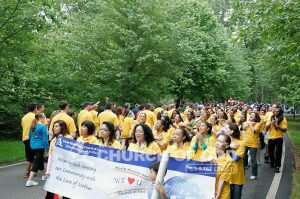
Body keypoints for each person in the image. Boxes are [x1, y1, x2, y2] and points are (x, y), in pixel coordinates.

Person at [45, 120, 72, 199]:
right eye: (54, 126)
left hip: (65, 168)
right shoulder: (53, 140)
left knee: (65, 191)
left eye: (57, 126)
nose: (54, 128)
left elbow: (70, 154)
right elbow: (50, 155)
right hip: (55, 168)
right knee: (50, 190)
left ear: (62, 128)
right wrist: (48, 170)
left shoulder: (68, 138)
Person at [26, 113, 49, 187]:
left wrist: (32, 144)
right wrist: (47, 149)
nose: (44, 118)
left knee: (40, 159)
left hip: (33, 146)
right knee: (36, 162)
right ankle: (29, 180)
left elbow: (29, 137)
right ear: (41, 118)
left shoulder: (33, 125)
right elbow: (45, 138)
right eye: (44, 117)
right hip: (40, 146)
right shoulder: (43, 126)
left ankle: (43, 175)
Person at [226, 123, 245, 199]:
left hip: (236, 176)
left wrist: (229, 148)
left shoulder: (241, 143)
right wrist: (228, 146)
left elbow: (236, 158)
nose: (224, 130)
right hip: (225, 175)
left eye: (227, 128)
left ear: (232, 131)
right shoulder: (222, 142)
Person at [266, 106, 287, 173]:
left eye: (277, 111)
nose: (275, 112)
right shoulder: (271, 117)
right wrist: (271, 123)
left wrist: (278, 127)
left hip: (279, 137)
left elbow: (285, 129)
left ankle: (277, 166)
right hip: (271, 137)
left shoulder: (283, 119)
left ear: (280, 112)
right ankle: (272, 162)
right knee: (270, 152)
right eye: (275, 111)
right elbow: (266, 128)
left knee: (278, 152)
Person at [243, 112, 261, 179]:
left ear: (256, 117)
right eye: (250, 115)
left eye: (253, 116)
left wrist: (250, 124)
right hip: (246, 142)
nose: (251, 116)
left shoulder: (258, 124)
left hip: (253, 143)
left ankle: (254, 174)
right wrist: (248, 122)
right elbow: (243, 127)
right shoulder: (247, 122)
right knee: (243, 157)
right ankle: (242, 173)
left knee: (253, 159)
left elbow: (254, 131)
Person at [21, 102, 37, 178]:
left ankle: (28, 172)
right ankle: (32, 171)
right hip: (33, 137)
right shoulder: (35, 116)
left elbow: (23, 126)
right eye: (36, 108)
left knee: (29, 155)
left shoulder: (24, 117)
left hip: (25, 138)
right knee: (36, 155)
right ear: (34, 109)